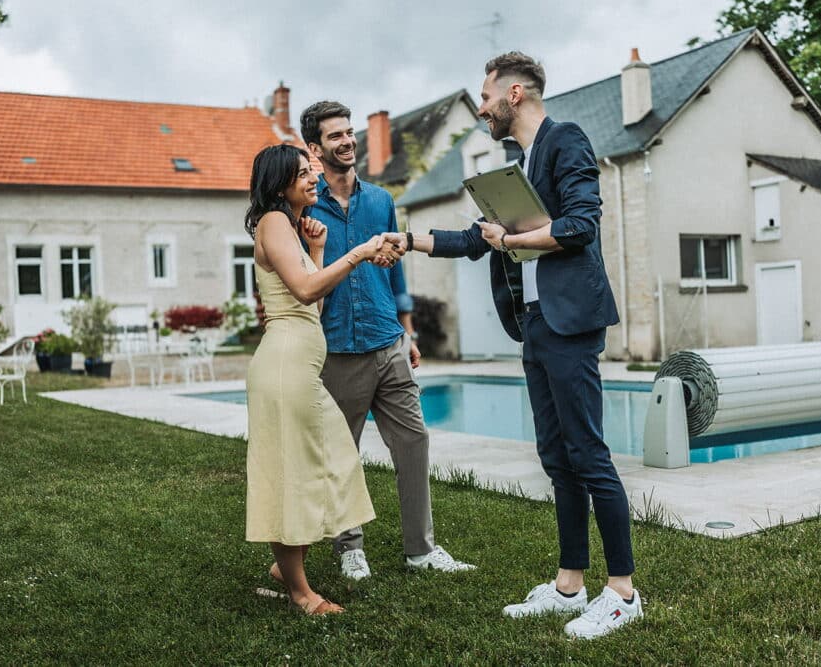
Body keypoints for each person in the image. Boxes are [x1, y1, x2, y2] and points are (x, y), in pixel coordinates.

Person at [384, 52, 642, 639]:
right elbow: (475, 241)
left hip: (570, 321)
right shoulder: (516, 165)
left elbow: (581, 224)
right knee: (557, 457)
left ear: (516, 94)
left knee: (589, 454)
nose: (480, 107)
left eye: (486, 96)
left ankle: (623, 593)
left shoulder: (565, 140)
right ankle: (570, 585)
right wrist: (404, 239)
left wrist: (514, 236)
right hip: (534, 323)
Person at [299, 100, 475, 579]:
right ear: (315, 148)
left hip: (388, 340)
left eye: (349, 132)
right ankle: (349, 546)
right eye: (335, 135)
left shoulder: (380, 201)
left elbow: (395, 266)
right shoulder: (304, 208)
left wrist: (409, 330)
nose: (347, 141)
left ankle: (421, 549)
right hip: (336, 348)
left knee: (414, 441)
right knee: (342, 452)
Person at [244, 143, 395, 615]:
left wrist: (318, 248)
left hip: (299, 363)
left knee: (325, 462)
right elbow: (307, 288)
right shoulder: (272, 222)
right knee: (293, 473)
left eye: (313, 172)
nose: (314, 178)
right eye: (304, 173)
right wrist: (360, 252)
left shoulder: (290, 229)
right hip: (285, 367)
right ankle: (300, 592)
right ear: (279, 182)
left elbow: (314, 304)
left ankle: (284, 566)